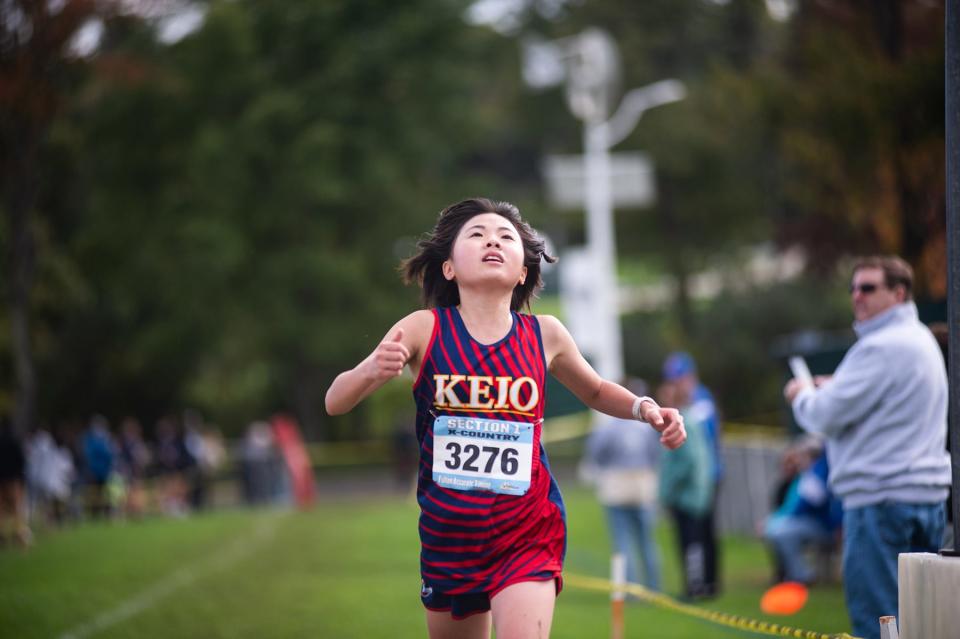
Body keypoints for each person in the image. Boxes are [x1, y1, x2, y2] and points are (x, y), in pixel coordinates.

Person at [325, 197, 686, 639]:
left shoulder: (545, 333)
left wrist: (644, 408)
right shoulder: (423, 328)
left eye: (505, 237)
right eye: (476, 234)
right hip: (449, 534)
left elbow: (594, 390)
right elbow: (335, 402)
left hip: (527, 530)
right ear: (449, 268)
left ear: (522, 272)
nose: (492, 241)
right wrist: (370, 370)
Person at [783, 255, 950, 639]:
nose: (857, 296)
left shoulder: (880, 346)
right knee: (926, 625)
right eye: (853, 288)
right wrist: (834, 387)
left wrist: (802, 393)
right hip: (925, 499)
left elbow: (822, 416)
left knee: (880, 624)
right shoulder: (919, 339)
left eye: (869, 287)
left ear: (899, 292)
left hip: (881, 503)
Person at [580, 378, 662, 592]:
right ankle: (654, 588)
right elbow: (656, 455)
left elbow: (596, 453)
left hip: (617, 485)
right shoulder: (646, 429)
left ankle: (631, 590)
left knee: (622, 542)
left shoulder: (609, 428)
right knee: (646, 540)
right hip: (642, 484)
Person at [661, 351, 722, 596]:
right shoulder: (691, 404)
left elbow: (695, 449)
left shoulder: (701, 402)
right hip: (699, 477)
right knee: (699, 534)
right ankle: (704, 583)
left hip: (705, 476)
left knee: (700, 534)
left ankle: (705, 583)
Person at [764, 438, 842, 585]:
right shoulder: (804, 477)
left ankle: (802, 576)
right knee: (774, 530)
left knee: (781, 532)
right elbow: (791, 507)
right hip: (806, 524)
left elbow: (808, 504)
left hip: (823, 528)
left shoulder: (818, 475)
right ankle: (787, 574)